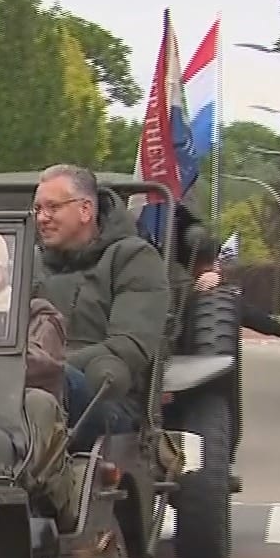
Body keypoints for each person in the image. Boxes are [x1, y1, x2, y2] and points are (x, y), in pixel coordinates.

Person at [30, 164, 172, 451]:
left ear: (85, 210)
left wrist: (48, 368)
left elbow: (128, 346)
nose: (42, 218)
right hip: (26, 383)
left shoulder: (133, 258)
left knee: (43, 394)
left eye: (52, 208)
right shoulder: (29, 261)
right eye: (37, 209)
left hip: (104, 399)